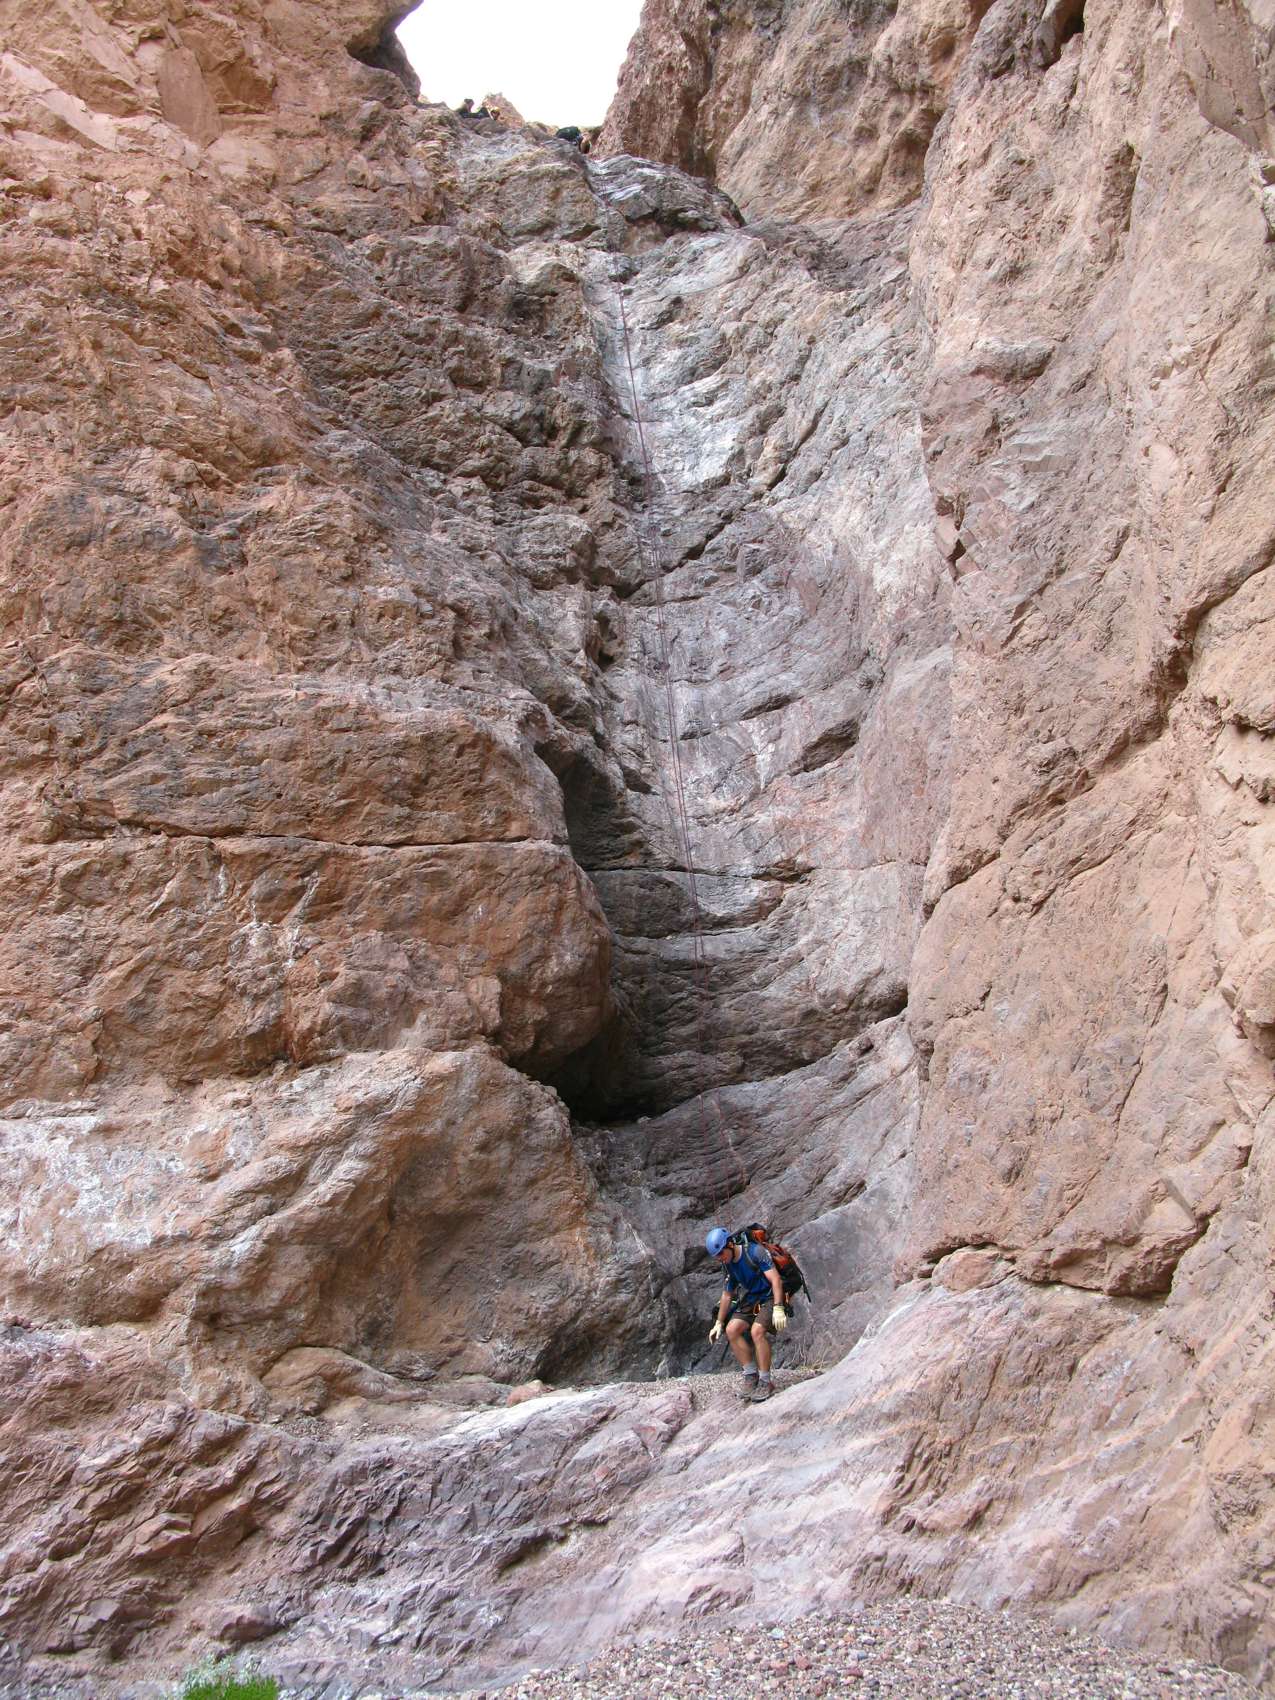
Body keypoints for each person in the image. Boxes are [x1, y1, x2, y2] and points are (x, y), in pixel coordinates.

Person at [705, 1226, 787, 1401]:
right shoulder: (728, 1265)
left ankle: (765, 1381)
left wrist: (779, 1307)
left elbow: (776, 1280)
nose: (720, 1258)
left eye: (721, 1253)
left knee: (757, 1331)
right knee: (731, 1330)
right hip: (753, 1297)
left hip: (771, 1295)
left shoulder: (755, 1252)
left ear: (729, 1244)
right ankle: (750, 1376)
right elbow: (727, 1295)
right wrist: (719, 1323)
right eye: (716, 1256)